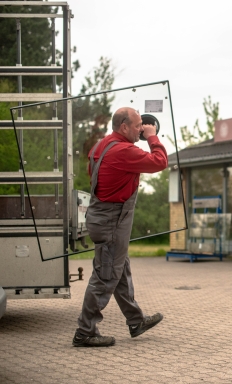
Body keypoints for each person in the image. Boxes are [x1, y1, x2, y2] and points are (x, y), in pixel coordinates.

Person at [73, 107, 168, 347]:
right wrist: (153, 136)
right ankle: (85, 332)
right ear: (123, 127)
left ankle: (136, 321)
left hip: (101, 216)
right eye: (138, 126)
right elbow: (160, 161)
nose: (141, 129)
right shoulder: (123, 151)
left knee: (119, 271)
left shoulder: (100, 146)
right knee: (105, 276)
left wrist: (142, 135)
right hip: (112, 220)